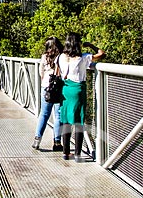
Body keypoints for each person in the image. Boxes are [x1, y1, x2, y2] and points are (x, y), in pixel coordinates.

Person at [58, 32, 105, 162]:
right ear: (78, 43)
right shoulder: (83, 58)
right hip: (78, 90)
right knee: (78, 122)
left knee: (66, 121)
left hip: (65, 90)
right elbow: (102, 54)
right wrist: (90, 45)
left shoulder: (61, 56)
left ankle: (66, 153)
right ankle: (78, 155)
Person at [32, 36, 63, 151]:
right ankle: (57, 142)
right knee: (58, 115)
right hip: (59, 88)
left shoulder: (44, 57)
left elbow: (41, 73)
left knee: (44, 114)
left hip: (46, 87)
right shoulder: (62, 57)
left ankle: (37, 140)